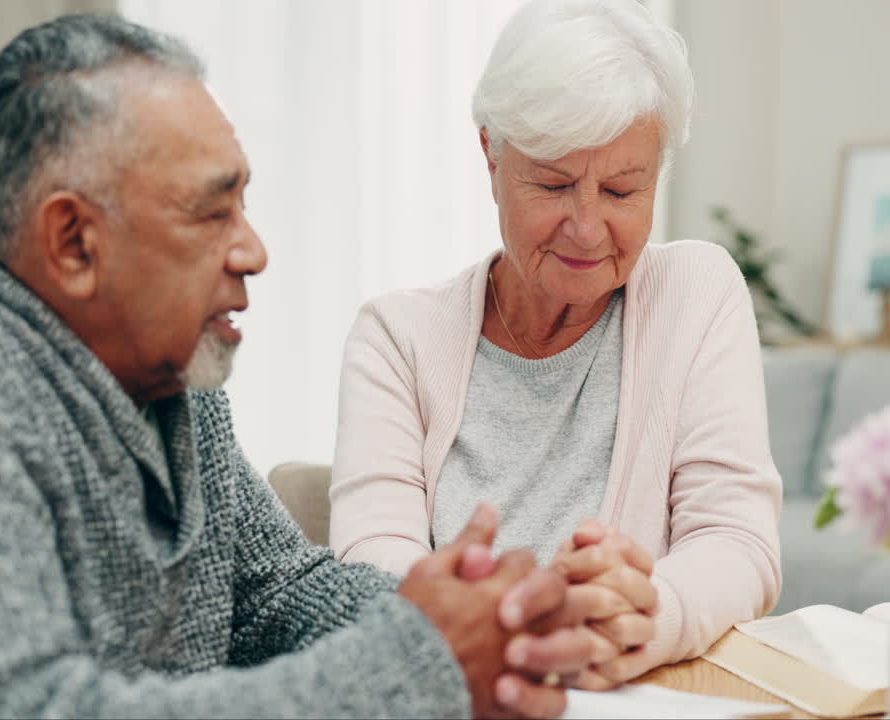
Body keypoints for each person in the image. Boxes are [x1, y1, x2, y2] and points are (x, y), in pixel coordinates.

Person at [0, 14, 601, 720]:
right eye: (210, 210)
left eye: (246, 201)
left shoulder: (169, 381)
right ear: (74, 242)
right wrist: (420, 662)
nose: (255, 249)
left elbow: (275, 597)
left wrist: (489, 626)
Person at [330, 0, 782, 689]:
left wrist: (647, 612)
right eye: (554, 183)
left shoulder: (698, 293)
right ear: (491, 151)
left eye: (623, 190)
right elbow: (370, 565)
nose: (588, 229)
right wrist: (503, 634)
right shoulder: (396, 339)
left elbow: (739, 542)